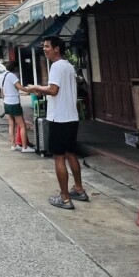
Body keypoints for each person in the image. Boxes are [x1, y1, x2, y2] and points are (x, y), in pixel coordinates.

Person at [26, 36, 87, 209]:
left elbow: (53, 90)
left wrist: (35, 87)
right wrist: (41, 90)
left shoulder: (56, 66)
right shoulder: (68, 66)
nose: (44, 49)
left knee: (59, 158)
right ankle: (79, 189)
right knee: (71, 154)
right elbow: (57, 91)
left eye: (47, 46)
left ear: (56, 49)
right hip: (71, 118)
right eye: (43, 47)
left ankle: (65, 198)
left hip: (59, 119)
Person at [2, 60, 33, 153]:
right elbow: (20, 87)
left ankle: (13, 145)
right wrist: (31, 90)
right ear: (15, 68)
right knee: (22, 125)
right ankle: (24, 147)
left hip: (6, 102)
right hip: (14, 103)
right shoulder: (12, 76)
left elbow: (2, 91)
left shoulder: (2, 76)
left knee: (11, 124)